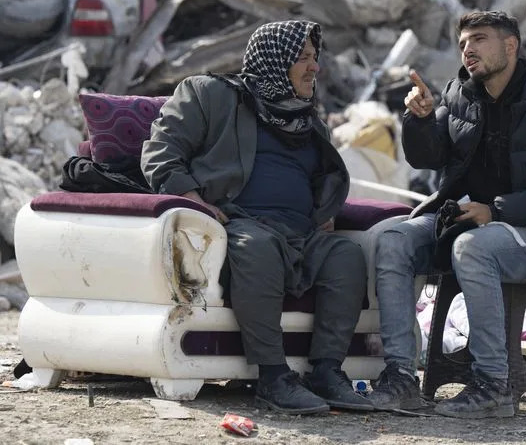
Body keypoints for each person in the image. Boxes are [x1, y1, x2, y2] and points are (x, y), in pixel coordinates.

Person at [141, 20, 372, 415]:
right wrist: (195, 203)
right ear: (273, 60)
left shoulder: (307, 120)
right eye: (303, 58)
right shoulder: (209, 94)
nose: (314, 68)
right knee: (258, 248)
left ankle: (326, 372)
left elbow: (322, 180)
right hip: (238, 223)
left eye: (315, 58)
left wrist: (324, 211)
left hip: (301, 233)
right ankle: (272, 377)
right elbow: (160, 153)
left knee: (346, 256)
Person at [368, 11, 526, 418]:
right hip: (463, 224)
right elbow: (425, 157)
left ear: (510, 46)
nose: (468, 49)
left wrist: (497, 210)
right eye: (463, 43)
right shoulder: (459, 98)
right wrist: (418, 120)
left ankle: (492, 386)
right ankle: (400, 376)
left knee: (473, 247)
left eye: (479, 39)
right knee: (394, 239)